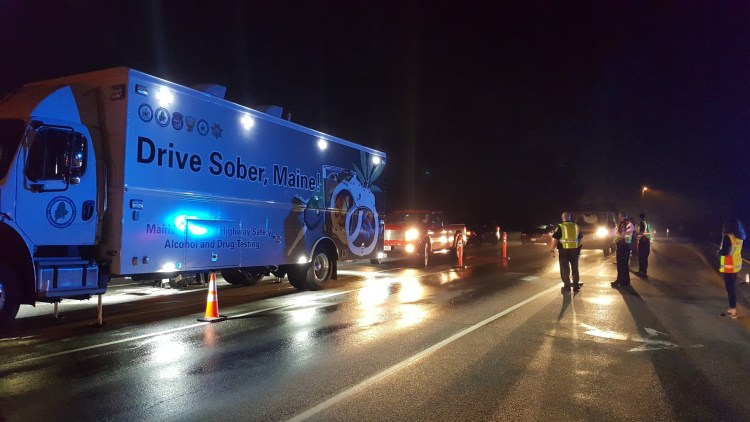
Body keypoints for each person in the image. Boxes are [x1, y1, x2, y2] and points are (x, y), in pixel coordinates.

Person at [550, 211, 583, 294]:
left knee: (564, 269)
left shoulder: (561, 226)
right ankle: (576, 286)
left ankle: (567, 286)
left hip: (564, 251)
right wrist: (576, 247)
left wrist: (552, 250)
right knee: (575, 268)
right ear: (569, 218)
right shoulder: (576, 226)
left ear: (563, 218)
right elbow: (580, 239)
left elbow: (555, 239)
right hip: (574, 250)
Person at [718, 219, 745, 319]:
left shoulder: (728, 237)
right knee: (731, 288)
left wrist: (719, 251)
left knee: (730, 289)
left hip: (729, 267)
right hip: (735, 266)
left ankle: (733, 311)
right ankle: (731, 308)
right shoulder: (739, 238)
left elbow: (725, 252)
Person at [611, 211, 634, 287]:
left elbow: (622, 234)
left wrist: (616, 240)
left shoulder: (623, 224)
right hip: (627, 245)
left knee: (621, 264)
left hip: (622, 245)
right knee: (625, 264)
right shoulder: (629, 223)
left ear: (622, 216)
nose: (618, 217)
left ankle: (620, 281)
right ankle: (626, 281)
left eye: (619, 216)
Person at [636, 213, 652, 277]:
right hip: (646, 241)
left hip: (643, 241)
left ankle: (642, 271)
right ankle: (643, 271)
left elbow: (642, 232)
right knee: (644, 257)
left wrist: (637, 233)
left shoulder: (642, 223)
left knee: (641, 257)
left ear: (640, 217)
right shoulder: (646, 223)